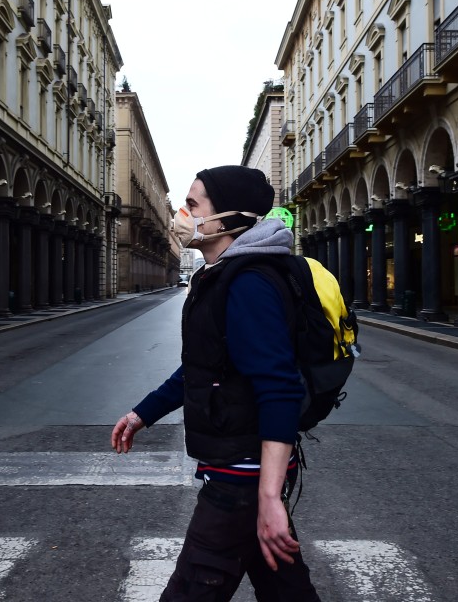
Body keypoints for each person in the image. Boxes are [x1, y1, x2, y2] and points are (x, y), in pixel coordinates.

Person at [111, 165, 321, 601]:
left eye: (192, 206)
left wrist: (268, 497)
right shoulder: (224, 277)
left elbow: (279, 388)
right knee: (286, 590)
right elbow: (206, 367)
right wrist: (143, 413)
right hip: (240, 470)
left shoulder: (247, 283)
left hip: (240, 478)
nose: (182, 215)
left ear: (223, 220)